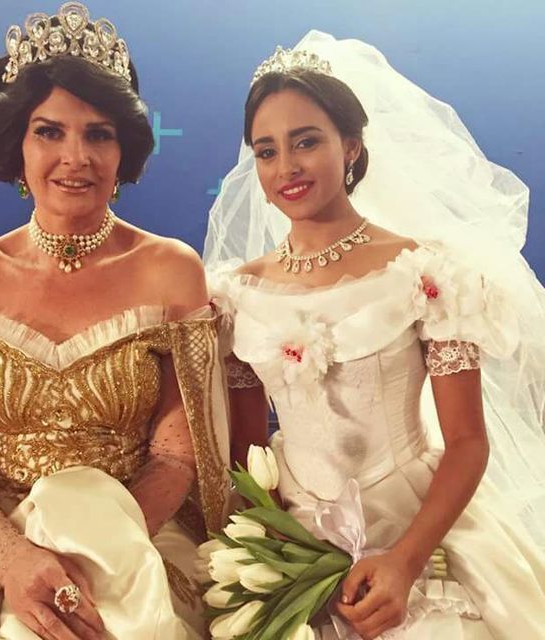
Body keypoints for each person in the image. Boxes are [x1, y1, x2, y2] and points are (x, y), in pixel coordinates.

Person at [0, 3, 231, 639]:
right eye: (49, 132)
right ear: (17, 146)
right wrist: (15, 561)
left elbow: (177, 456)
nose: (75, 157)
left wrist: (99, 550)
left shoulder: (171, 270)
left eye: (99, 134)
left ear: (124, 148)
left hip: (137, 529)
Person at [205, 32, 545, 639]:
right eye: (266, 151)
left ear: (352, 146)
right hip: (293, 536)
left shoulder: (423, 273)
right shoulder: (235, 296)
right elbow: (246, 452)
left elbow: (468, 441)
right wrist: (281, 547)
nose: (286, 167)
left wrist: (406, 561)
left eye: (306, 141)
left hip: (415, 527)